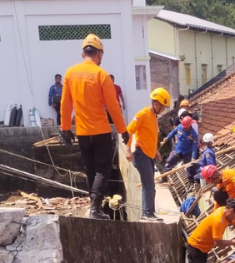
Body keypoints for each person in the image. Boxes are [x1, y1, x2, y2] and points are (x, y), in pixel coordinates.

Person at [60, 34, 128, 220]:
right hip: (101, 132)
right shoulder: (101, 75)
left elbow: (65, 104)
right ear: (100, 54)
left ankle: (94, 205)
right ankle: (95, 209)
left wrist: (65, 128)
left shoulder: (70, 73)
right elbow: (113, 107)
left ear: (83, 54)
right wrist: (123, 130)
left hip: (82, 133)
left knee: (90, 169)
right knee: (102, 170)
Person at [126, 88, 171, 222]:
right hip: (141, 155)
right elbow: (129, 131)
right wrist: (128, 150)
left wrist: (155, 151)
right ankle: (147, 214)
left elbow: (150, 136)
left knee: (151, 185)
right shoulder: (143, 114)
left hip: (149, 156)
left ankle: (149, 212)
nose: (163, 110)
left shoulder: (154, 117)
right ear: (155, 103)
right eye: (162, 107)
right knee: (148, 185)